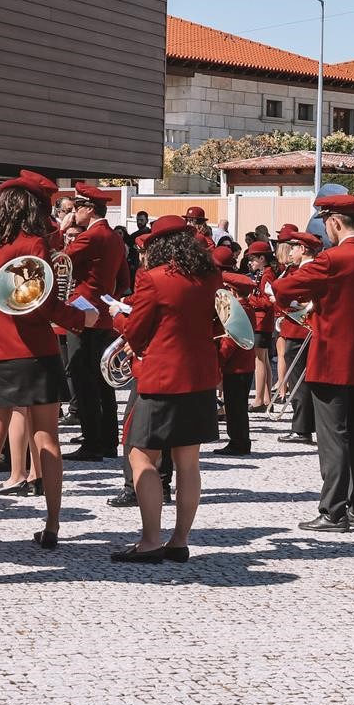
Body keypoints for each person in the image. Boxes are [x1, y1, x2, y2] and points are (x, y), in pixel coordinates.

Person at [0, 171, 95, 548]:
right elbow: (40, 305)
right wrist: (80, 319)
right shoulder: (33, 244)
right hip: (36, 351)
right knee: (47, 439)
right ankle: (53, 524)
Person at [272, 194, 354, 532]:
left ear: (336, 222)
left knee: (332, 438)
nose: (327, 231)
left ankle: (333, 511)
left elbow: (283, 288)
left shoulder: (332, 259)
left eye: (327, 224)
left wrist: (306, 300)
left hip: (328, 356)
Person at [109, 215, 221, 562]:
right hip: (199, 377)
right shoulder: (210, 276)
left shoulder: (152, 278)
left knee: (142, 456)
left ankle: (150, 540)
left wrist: (116, 315)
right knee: (189, 463)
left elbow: (137, 331)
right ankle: (179, 540)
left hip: (160, 377)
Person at [58, 182, 129, 462]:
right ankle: (108, 440)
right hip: (102, 312)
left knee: (83, 377)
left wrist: (62, 230)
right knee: (102, 382)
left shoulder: (92, 235)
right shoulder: (112, 236)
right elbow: (124, 279)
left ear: (89, 209)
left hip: (83, 311)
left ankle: (92, 443)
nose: (74, 213)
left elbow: (59, 259)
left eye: (77, 208)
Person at [211, 243, 260, 456]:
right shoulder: (247, 307)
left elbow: (230, 340)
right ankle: (240, 440)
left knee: (235, 407)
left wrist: (218, 362)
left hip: (236, 367)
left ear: (231, 290)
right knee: (237, 405)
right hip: (244, 365)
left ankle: (238, 442)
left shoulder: (237, 310)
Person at [277, 230, 322, 445]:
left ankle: (302, 428)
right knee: (300, 380)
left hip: (301, 330)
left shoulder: (308, 270)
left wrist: (291, 304)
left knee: (299, 382)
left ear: (303, 250)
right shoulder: (299, 270)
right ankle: (305, 425)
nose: (291, 251)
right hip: (297, 328)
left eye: (294, 247)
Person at [243, 240, 280, 415]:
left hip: (262, 320)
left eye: (254, 258)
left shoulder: (267, 275)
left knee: (259, 361)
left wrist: (249, 298)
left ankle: (259, 399)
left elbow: (268, 301)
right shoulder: (264, 273)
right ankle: (266, 398)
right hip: (262, 320)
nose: (251, 262)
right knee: (263, 360)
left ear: (262, 259)